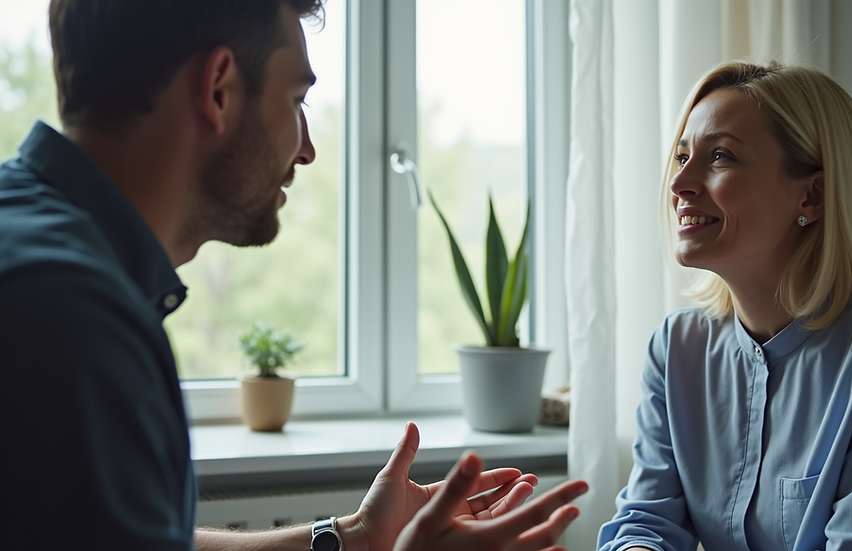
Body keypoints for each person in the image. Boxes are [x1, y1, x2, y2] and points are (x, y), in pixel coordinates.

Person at [0, 1, 587, 550]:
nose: (306, 150)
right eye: (296, 99)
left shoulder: (41, 250)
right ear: (219, 89)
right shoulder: (72, 318)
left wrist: (352, 538)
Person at [596, 61, 852, 551]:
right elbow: (647, 523)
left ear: (813, 194)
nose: (679, 184)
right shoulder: (675, 349)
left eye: (720, 157)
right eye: (682, 155)